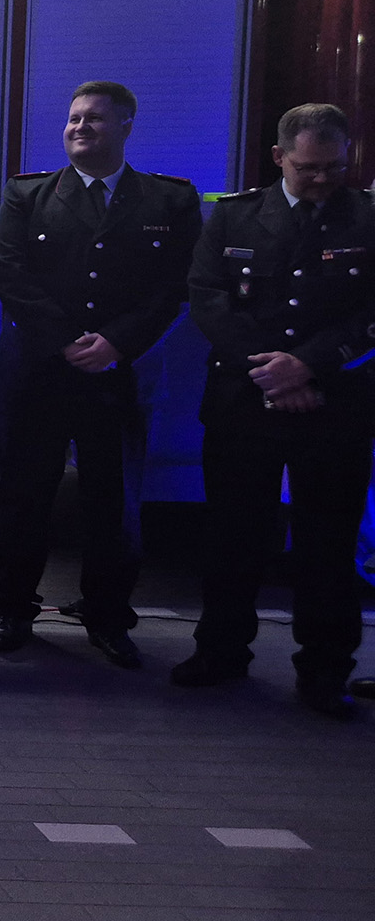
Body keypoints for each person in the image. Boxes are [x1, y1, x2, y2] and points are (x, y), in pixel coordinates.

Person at [0, 81, 201, 667]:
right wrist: (65, 341)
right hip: (37, 372)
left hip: (117, 373)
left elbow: (175, 286)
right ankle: (13, 609)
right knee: (23, 497)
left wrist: (115, 343)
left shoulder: (169, 201)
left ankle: (107, 616)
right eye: (74, 118)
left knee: (114, 502)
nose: (80, 127)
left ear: (127, 126)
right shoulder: (27, 194)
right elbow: (10, 274)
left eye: (95, 119)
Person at [174, 104, 375, 719]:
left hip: (333, 403)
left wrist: (308, 366)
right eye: (309, 167)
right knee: (233, 539)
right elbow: (208, 298)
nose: (322, 179)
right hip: (244, 402)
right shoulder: (234, 215)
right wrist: (272, 372)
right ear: (279, 158)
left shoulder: (366, 217)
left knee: (327, 546)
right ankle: (221, 652)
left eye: (334, 167)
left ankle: (325, 671)